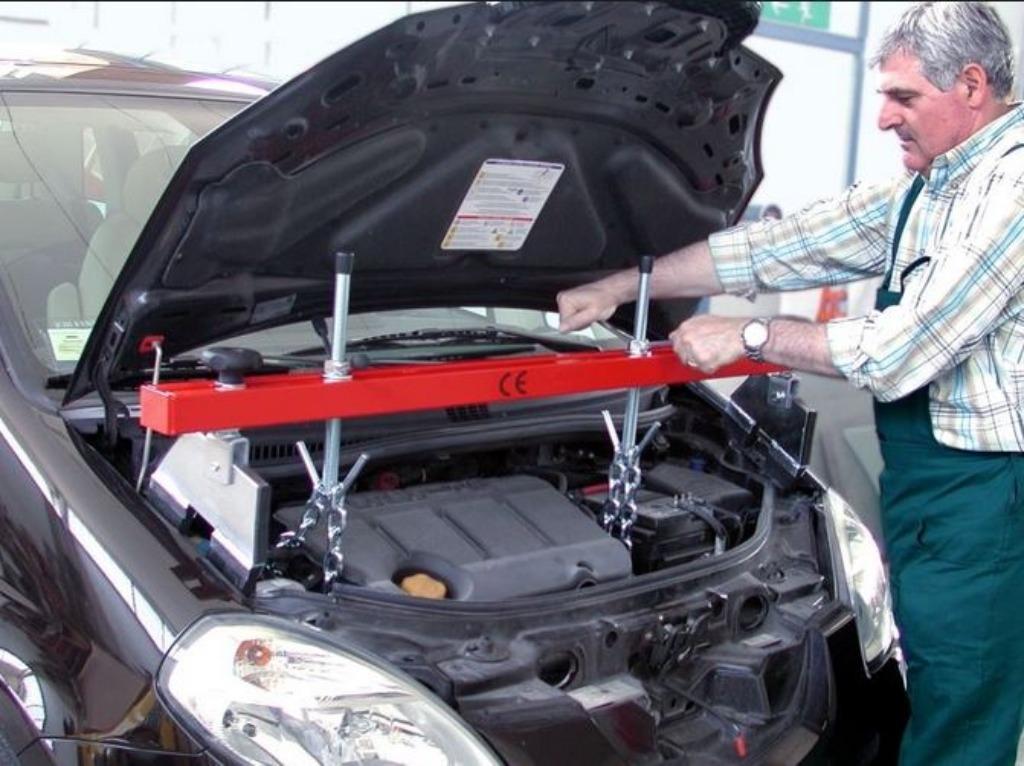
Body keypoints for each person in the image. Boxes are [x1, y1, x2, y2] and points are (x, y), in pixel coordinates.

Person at [557, 3, 1024, 764]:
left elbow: (902, 350)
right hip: (932, 492)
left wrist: (749, 334)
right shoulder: (933, 185)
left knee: (963, 709)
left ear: (971, 85)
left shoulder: (1012, 187)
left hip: (981, 495)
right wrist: (621, 286)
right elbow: (781, 247)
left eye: (903, 97)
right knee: (935, 677)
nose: (882, 118)